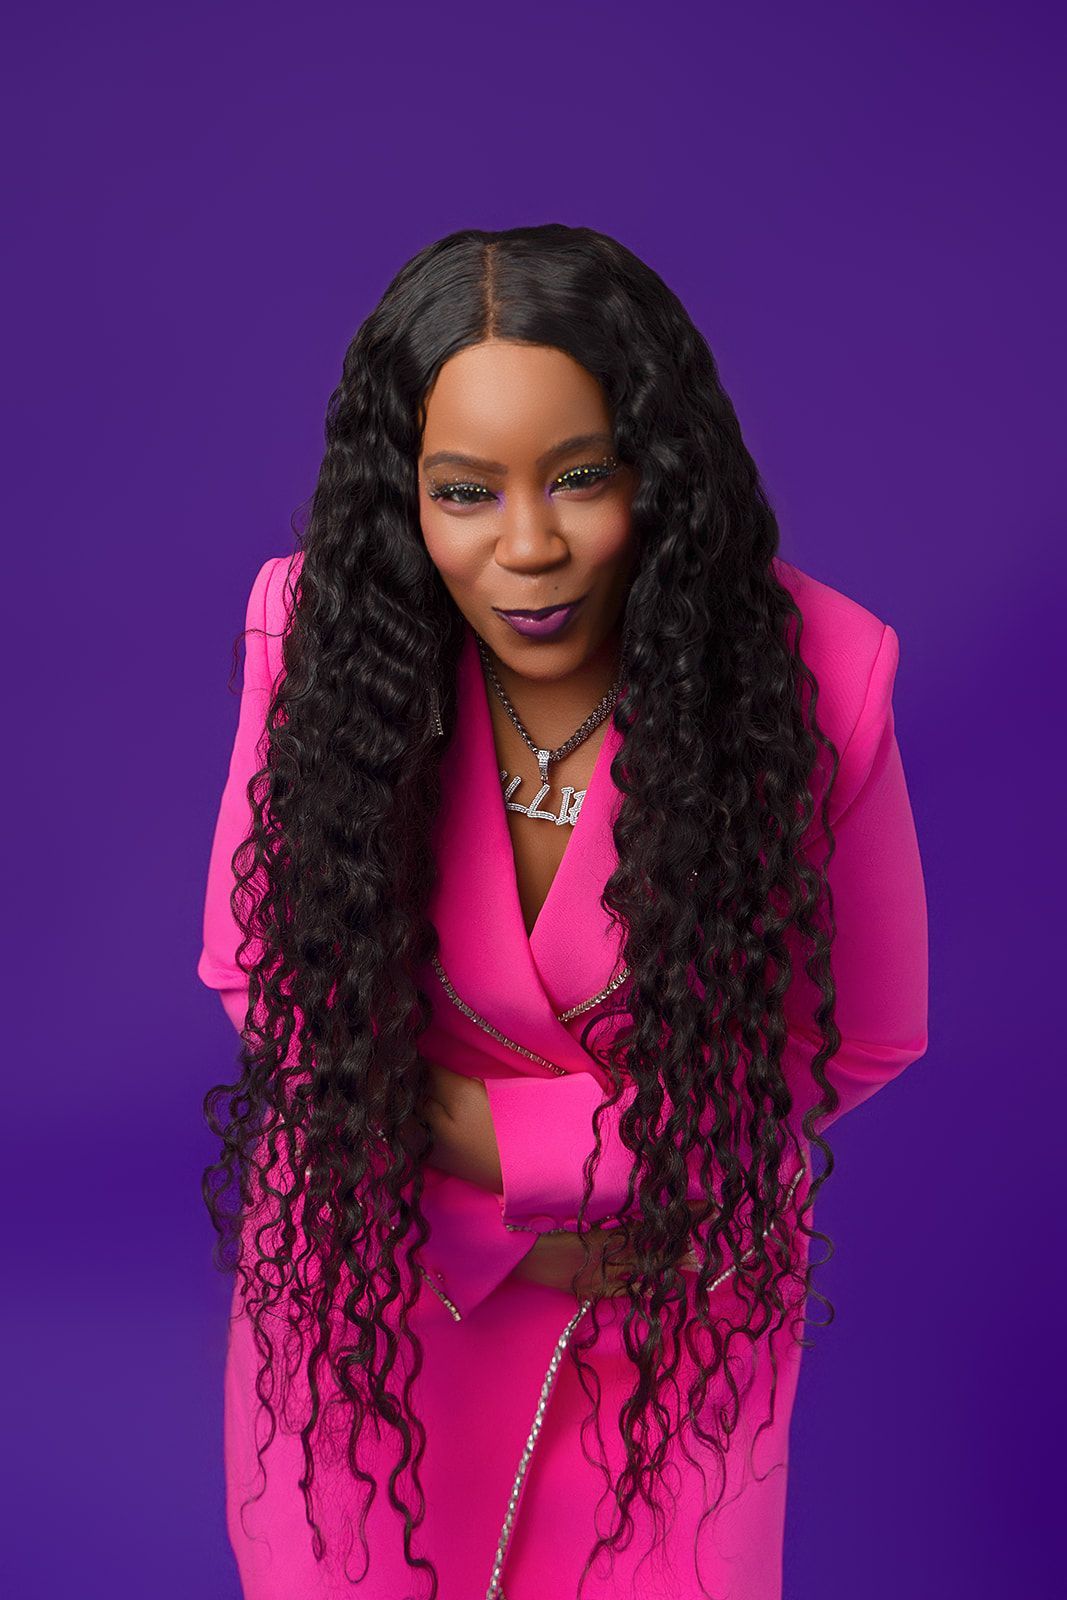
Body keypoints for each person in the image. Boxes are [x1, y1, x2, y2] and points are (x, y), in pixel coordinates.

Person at [196, 223, 929, 1600]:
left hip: (665, 1327)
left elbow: (855, 1036)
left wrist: (580, 1176)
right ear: (400, 498)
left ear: (662, 466)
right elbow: (260, 975)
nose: (527, 547)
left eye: (581, 478)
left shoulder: (824, 673)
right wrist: (541, 1151)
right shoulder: (312, 632)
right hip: (372, 1292)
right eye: (464, 492)